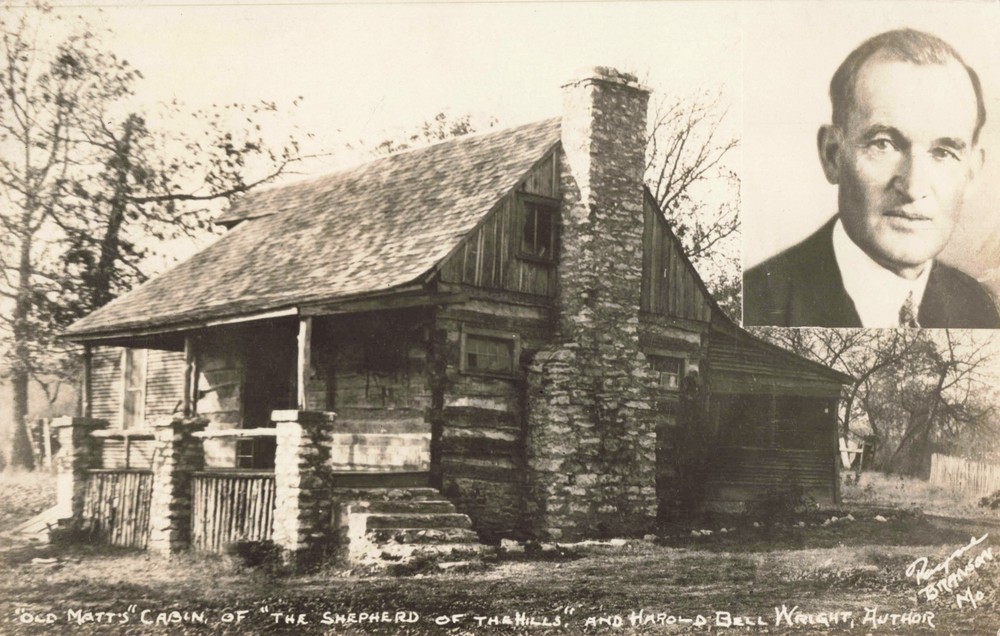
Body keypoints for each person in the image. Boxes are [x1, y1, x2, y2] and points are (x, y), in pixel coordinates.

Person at [743, 29, 1000, 328]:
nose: (913, 187)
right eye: (883, 144)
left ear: (971, 173)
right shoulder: (755, 305)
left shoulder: (980, 308)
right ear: (833, 155)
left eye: (943, 152)